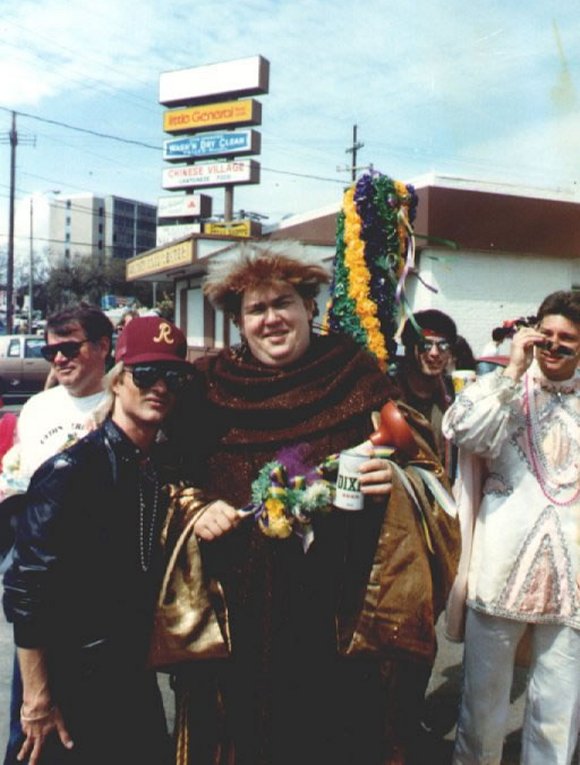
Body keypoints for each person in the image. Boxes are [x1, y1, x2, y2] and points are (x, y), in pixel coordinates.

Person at [171, 242, 460, 765]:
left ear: (310, 307)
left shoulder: (356, 375)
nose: (272, 318)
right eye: (256, 309)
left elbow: (430, 478)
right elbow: (168, 479)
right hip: (239, 621)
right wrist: (197, 507)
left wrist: (394, 482)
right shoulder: (208, 390)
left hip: (338, 619)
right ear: (239, 322)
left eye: (283, 302)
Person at [2, 315, 194, 765]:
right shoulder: (72, 472)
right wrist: (36, 699)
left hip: (129, 675)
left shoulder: (156, 466)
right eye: (145, 375)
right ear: (119, 380)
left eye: (172, 377)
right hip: (71, 680)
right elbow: (26, 590)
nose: (159, 388)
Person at [442, 290, 580, 764]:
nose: (556, 347)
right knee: (482, 708)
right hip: (501, 570)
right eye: (549, 336)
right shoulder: (503, 388)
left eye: (569, 340)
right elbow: (466, 432)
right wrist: (512, 371)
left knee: (557, 718)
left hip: (574, 584)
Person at [1, 304, 114, 765]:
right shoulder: (37, 407)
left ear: (104, 347)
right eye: (51, 352)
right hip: (40, 589)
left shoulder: (125, 398)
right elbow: (19, 475)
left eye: (70, 348)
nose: (59, 360)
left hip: (104, 596)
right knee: (32, 724)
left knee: (97, 734)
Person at [392, 309, 457, 478]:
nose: (434, 353)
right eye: (425, 345)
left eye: (443, 345)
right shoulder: (391, 392)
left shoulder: (454, 396)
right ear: (411, 348)